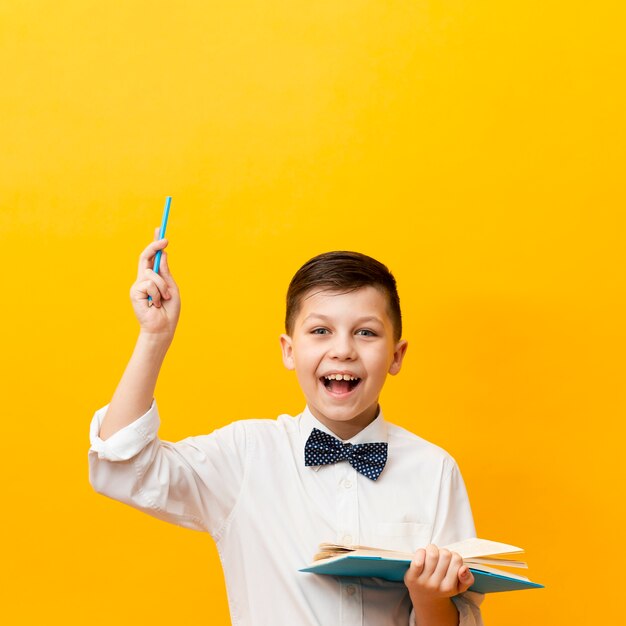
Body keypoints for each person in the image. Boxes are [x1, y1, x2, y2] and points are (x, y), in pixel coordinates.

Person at [89, 236, 485, 626]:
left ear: (396, 356)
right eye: (320, 331)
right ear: (289, 350)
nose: (343, 350)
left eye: (366, 332)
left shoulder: (435, 471)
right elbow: (122, 467)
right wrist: (154, 337)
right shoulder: (246, 455)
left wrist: (430, 598)